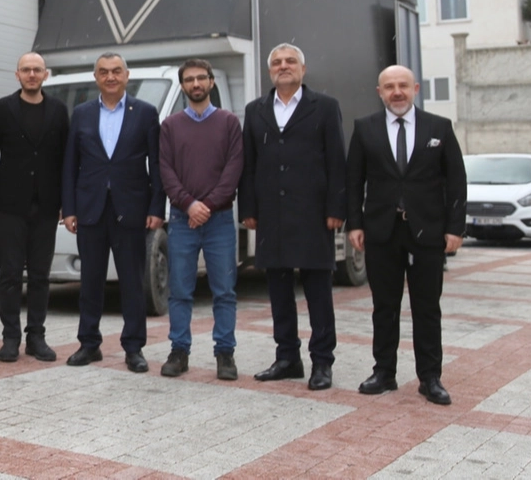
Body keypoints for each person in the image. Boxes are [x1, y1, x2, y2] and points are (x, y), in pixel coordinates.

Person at [347, 65, 466, 405]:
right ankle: (384, 372)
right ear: (379, 92)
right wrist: (355, 224)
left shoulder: (439, 127)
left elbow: (456, 180)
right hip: (381, 232)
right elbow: (353, 180)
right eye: (389, 87)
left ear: (415, 89)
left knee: (427, 307)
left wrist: (455, 228)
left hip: (427, 232)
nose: (396, 92)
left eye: (403, 85)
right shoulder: (365, 128)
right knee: (384, 306)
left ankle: (430, 377)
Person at [238, 43, 345, 391]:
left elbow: (336, 160)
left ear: (303, 69)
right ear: (270, 70)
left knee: (318, 293)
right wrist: (248, 209)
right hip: (271, 215)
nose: (283, 66)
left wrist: (336, 208)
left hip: (313, 214)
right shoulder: (255, 110)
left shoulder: (325, 107)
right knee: (279, 293)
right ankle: (287, 358)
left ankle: (322, 362)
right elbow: (249, 163)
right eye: (277, 63)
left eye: (290, 61)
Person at [61, 52, 164, 373]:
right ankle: (89, 344)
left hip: (131, 210)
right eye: (103, 72)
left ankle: (134, 347)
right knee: (90, 280)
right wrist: (69, 208)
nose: (110, 77)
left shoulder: (145, 113)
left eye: (116, 71)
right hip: (90, 210)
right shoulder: (81, 114)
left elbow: (156, 164)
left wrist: (156, 207)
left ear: (126, 75)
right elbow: (70, 164)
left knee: (132, 282)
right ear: (96, 78)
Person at [157, 59, 243, 381]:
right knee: (180, 290)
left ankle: (225, 354)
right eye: (189, 79)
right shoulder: (170, 126)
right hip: (182, 220)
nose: (196, 84)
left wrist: (205, 205)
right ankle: (179, 351)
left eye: (201, 78)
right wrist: (189, 205)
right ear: (182, 86)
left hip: (219, 220)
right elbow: (166, 171)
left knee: (224, 291)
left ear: (211, 82)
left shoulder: (229, 122)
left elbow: (233, 170)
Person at [0, 52, 70, 363]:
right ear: (17, 74)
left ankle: (36, 337)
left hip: (47, 206)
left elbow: (66, 159)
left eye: (37, 70)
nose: (32, 74)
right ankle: (10, 338)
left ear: (45, 75)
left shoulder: (58, 111)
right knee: (9, 275)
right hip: (10, 205)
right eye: (26, 70)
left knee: (40, 276)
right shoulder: (2, 109)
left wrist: (66, 201)